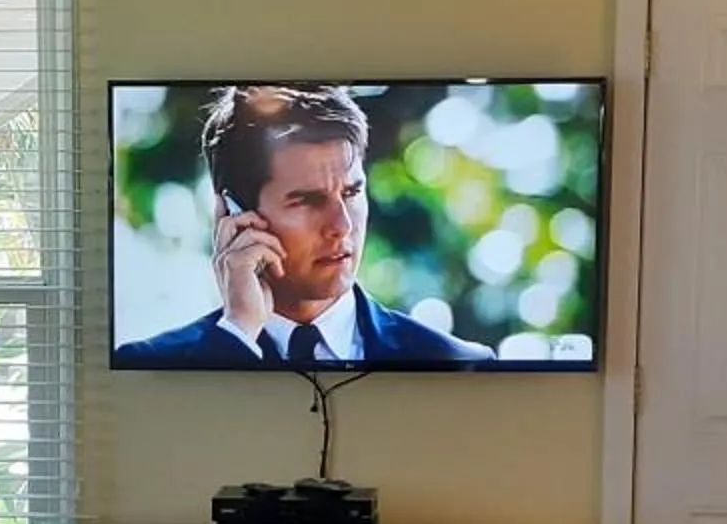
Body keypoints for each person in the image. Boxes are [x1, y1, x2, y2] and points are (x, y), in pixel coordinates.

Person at [118, 84, 492, 368]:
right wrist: (237, 334)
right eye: (308, 200)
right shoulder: (151, 365)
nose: (341, 226)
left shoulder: (456, 361)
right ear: (232, 213)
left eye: (351, 193)